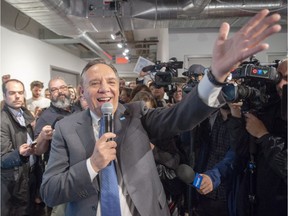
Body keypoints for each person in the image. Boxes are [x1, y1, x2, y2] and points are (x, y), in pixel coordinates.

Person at [40, 9, 281, 216]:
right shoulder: (66, 128)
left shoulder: (138, 114)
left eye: (111, 82)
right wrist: (92, 165)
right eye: (95, 83)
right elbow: (50, 192)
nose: (105, 88)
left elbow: (181, 116)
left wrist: (214, 77)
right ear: (82, 91)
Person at [227, 58, 287, 216]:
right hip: (254, 198)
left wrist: (263, 135)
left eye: (286, 78)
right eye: (278, 77)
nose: (280, 85)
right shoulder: (269, 106)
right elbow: (241, 150)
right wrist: (236, 117)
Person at [1, 79, 51, 216]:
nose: (17, 96)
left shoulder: (26, 114)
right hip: (14, 182)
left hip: (32, 174)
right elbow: (2, 159)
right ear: (4, 96)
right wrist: (20, 154)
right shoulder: (2, 121)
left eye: (20, 92)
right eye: (12, 93)